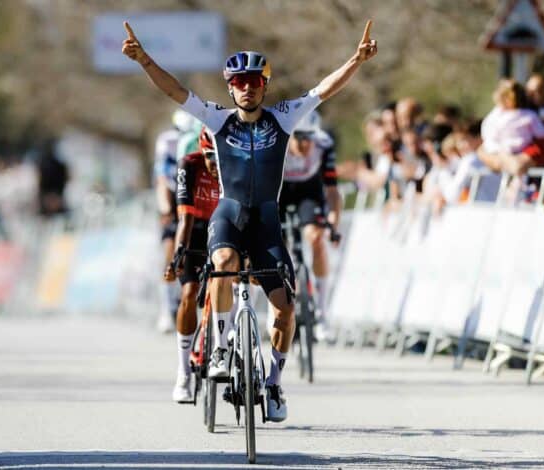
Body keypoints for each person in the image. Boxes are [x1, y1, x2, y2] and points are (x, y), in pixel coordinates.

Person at [123, 19, 378, 422]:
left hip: (266, 219)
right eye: (239, 81)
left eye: (254, 80)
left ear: (264, 84)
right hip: (229, 213)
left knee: (286, 307)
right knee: (223, 266)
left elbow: (323, 90)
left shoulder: (283, 118)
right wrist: (143, 60)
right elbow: (175, 91)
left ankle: (273, 382)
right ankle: (221, 349)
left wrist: (355, 60)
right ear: (230, 87)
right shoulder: (217, 119)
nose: (247, 87)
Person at [164, 127, 222, 403]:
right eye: (211, 157)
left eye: (222, 157)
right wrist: (178, 254)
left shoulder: (238, 165)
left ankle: (227, 342)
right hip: (195, 227)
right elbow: (184, 220)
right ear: (201, 151)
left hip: (225, 226)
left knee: (229, 285)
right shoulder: (189, 165)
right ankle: (184, 369)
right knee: (188, 293)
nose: (217, 166)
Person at [278, 110, 341, 341]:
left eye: (308, 138)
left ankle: (322, 314)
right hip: (280, 191)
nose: (305, 144)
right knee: (274, 245)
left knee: (316, 239)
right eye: (299, 138)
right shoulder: (277, 143)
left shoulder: (323, 145)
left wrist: (333, 223)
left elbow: (332, 190)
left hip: (308, 191)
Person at [154, 110, 196, 333]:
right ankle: (166, 308)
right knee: (170, 250)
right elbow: (161, 179)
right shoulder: (166, 142)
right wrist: (166, 209)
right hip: (172, 193)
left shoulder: (199, 139)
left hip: (193, 193)